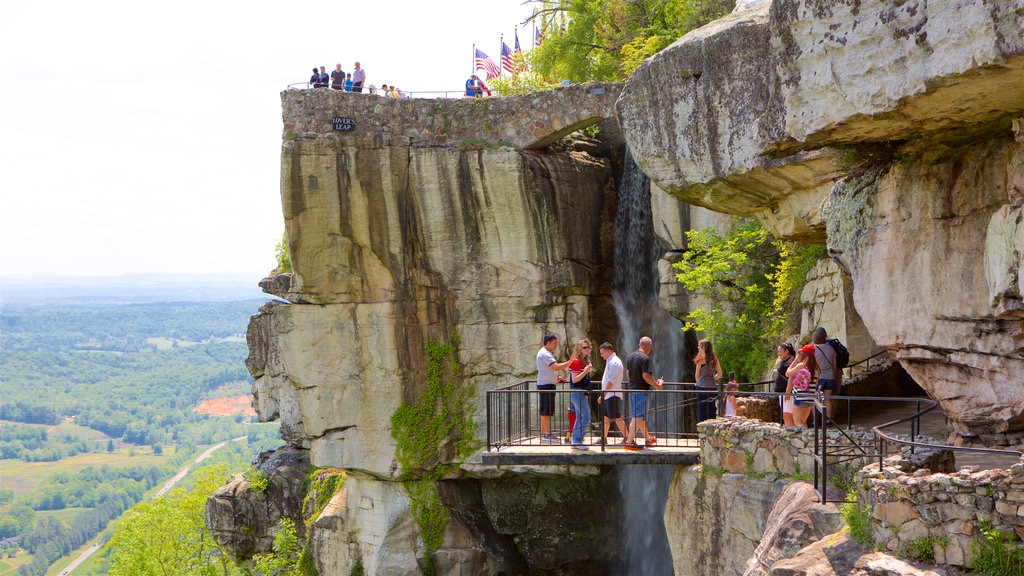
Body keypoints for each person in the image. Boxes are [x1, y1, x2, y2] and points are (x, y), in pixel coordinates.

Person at [623, 336, 664, 450]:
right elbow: (645, 375)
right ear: (647, 345)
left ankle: (647, 438)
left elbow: (628, 373)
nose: (651, 348)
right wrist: (656, 385)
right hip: (641, 390)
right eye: (650, 346)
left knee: (639, 416)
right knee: (637, 417)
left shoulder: (630, 356)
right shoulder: (646, 358)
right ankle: (630, 441)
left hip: (632, 389)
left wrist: (633, 383)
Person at [536, 334, 571, 444]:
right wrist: (570, 362)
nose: (556, 345)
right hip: (546, 385)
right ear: (549, 342)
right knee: (546, 411)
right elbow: (555, 366)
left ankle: (544, 433)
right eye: (555, 343)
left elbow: (550, 369)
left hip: (547, 384)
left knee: (545, 410)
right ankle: (546, 434)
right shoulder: (545, 353)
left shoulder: (545, 353)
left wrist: (556, 377)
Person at [597, 342, 628, 444]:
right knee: (606, 417)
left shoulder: (614, 362)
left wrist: (604, 394)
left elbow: (611, 380)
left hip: (612, 394)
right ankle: (604, 438)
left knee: (616, 417)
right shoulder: (610, 361)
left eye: (602, 353)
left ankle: (627, 437)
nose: (601, 356)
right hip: (609, 394)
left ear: (608, 351)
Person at [567, 339, 594, 450]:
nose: (587, 349)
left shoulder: (583, 361)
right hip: (577, 392)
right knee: (586, 416)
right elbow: (575, 379)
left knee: (580, 417)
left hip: (581, 392)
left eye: (588, 347)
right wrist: (586, 371)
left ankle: (576, 439)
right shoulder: (576, 362)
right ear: (579, 349)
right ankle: (577, 440)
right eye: (584, 347)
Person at [811, 327, 839, 420]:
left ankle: (815, 421)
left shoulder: (814, 350)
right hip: (830, 376)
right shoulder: (831, 349)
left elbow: (815, 366)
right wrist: (834, 377)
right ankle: (828, 420)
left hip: (820, 377)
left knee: (816, 399)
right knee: (827, 399)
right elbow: (834, 366)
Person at [786, 347, 817, 428]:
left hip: (800, 397)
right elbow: (816, 383)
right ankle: (808, 438)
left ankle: (807, 439)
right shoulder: (817, 368)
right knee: (803, 422)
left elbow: (788, 373)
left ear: (805, 355)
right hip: (811, 398)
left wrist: (795, 360)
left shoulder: (801, 366)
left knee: (798, 422)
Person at [694, 339, 723, 423]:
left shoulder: (700, 359)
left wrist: (698, 382)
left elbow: (696, 375)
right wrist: (713, 378)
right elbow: (720, 373)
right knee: (711, 408)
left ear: (704, 348)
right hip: (712, 387)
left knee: (701, 408)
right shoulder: (714, 358)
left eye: (699, 346)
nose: (698, 347)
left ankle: (702, 428)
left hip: (701, 387)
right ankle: (712, 428)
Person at [774, 342, 796, 425]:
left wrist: (787, 392)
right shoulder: (789, 361)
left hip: (787, 394)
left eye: (780, 351)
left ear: (786, 351)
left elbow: (791, 377)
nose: (778, 354)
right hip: (785, 393)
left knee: (787, 417)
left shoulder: (790, 362)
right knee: (788, 417)